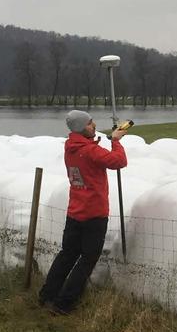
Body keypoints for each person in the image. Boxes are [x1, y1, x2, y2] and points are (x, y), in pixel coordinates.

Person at [38, 109, 128, 314]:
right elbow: (119, 162)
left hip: (75, 212)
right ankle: (65, 303)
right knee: (88, 259)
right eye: (89, 123)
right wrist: (116, 140)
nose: (94, 125)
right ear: (80, 128)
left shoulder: (71, 148)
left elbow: (92, 158)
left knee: (67, 255)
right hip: (94, 214)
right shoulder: (89, 151)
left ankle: (47, 294)